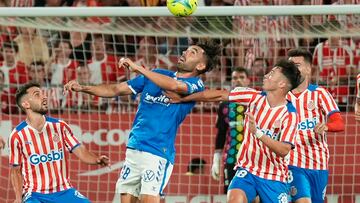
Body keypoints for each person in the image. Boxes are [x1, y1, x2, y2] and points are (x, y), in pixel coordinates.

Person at [64, 39, 221, 203]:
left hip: (157, 153)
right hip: (134, 149)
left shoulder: (196, 84)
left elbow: (175, 86)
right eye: (187, 49)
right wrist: (84, 88)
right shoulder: (157, 74)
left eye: (192, 52)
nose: (184, 52)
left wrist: (139, 68)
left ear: (201, 66)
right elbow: (116, 89)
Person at [168, 59, 302, 203]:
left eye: (272, 74)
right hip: (247, 170)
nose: (266, 76)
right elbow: (218, 95)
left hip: (274, 176)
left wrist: (257, 132)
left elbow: (284, 150)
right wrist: (184, 99)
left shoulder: (290, 114)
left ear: (282, 84)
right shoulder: (253, 97)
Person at [9, 82, 110, 203]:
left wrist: (97, 159)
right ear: (26, 104)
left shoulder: (60, 126)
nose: (44, 96)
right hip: (35, 194)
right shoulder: (17, 135)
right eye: (37, 95)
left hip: (64, 190)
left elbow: (80, 151)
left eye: (43, 93)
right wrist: (18, 198)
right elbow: (15, 170)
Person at [286, 49, 345, 203]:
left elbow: (339, 123)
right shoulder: (283, 96)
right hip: (292, 163)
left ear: (308, 68)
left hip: (318, 163)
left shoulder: (320, 94)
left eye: (297, 65)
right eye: (290, 65)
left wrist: (326, 126)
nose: (292, 68)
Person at [211, 67, 250, 193]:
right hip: (232, 158)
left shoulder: (256, 102)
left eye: (241, 77)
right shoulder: (225, 105)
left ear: (248, 80)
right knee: (231, 195)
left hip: (253, 159)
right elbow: (221, 134)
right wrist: (216, 160)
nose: (237, 80)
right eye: (234, 78)